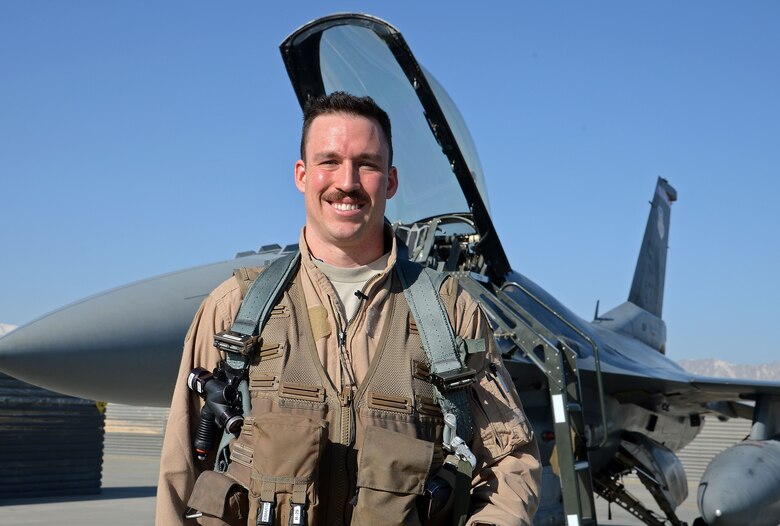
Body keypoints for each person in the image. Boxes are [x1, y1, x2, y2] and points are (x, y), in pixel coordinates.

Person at [156, 92, 541, 526]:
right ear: (302, 175)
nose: (347, 181)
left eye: (367, 164)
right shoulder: (236, 309)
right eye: (329, 161)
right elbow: (181, 466)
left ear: (391, 181)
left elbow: (511, 460)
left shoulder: (450, 312)